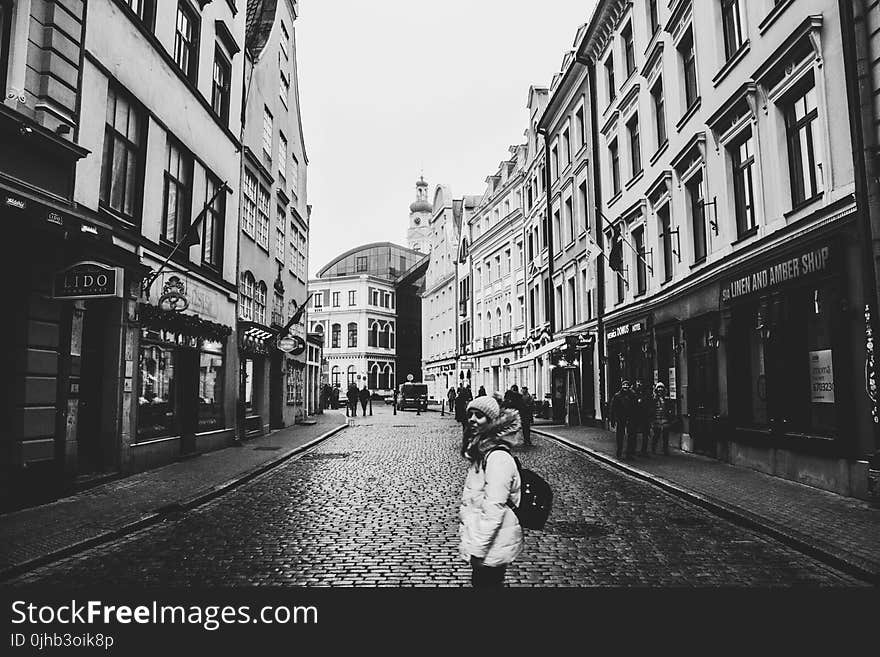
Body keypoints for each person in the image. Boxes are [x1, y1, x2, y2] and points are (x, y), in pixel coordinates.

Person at [458, 395, 523, 589]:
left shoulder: (497, 458)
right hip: (488, 546)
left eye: (479, 416)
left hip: (491, 546)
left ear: (492, 421)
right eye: (470, 415)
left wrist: (478, 548)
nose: (472, 420)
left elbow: (494, 507)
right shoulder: (482, 452)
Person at [609, 380, 637, 460]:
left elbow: (636, 408)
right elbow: (613, 408)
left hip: (630, 418)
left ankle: (629, 453)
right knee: (620, 435)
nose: (625, 387)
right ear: (622, 386)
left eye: (627, 385)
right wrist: (612, 420)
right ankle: (619, 450)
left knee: (631, 436)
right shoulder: (617, 396)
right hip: (621, 418)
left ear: (629, 386)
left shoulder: (633, 395)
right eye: (624, 385)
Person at [651, 382, 675, 455]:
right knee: (656, 435)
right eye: (658, 387)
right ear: (656, 389)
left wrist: (670, 415)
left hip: (665, 419)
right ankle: (653, 448)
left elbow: (670, 408)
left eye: (661, 387)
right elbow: (651, 409)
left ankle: (665, 450)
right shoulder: (653, 399)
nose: (660, 389)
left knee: (665, 435)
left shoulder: (666, 399)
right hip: (656, 419)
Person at [633, 380, 654, 457]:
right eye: (638, 383)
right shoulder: (635, 393)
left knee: (645, 434)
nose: (639, 384)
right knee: (634, 433)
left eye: (640, 383)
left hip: (645, 417)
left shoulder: (647, 394)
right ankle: (634, 450)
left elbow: (649, 405)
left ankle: (643, 450)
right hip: (637, 416)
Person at [455, 383, 473, 456]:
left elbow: (457, 409)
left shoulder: (458, 399)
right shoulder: (466, 400)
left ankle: (465, 442)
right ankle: (466, 443)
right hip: (465, 416)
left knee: (465, 428)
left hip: (462, 416)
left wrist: (457, 417)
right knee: (467, 429)